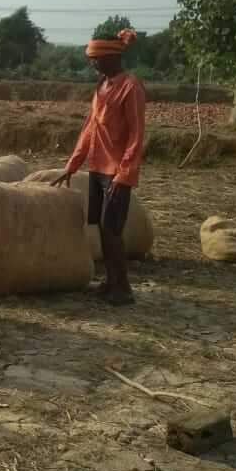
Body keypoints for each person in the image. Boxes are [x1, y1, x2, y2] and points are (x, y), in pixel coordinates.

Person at [51, 28, 146, 306]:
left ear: (111, 56)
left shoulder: (131, 87)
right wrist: (72, 165)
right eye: (91, 59)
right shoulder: (101, 87)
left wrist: (124, 173)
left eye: (96, 58)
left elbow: (136, 135)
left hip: (117, 172)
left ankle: (123, 289)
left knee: (112, 229)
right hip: (98, 168)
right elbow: (89, 130)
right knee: (102, 229)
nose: (92, 63)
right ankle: (110, 282)